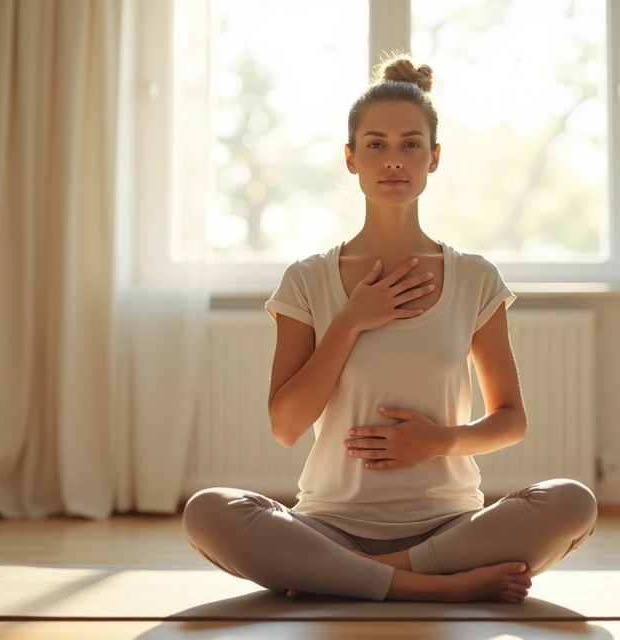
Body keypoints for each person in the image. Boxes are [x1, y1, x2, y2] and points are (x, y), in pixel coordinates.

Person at [182, 55, 597, 604]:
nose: (393, 160)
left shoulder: (474, 277)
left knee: (573, 502)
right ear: (350, 159)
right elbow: (286, 425)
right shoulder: (307, 279)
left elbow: (510, 420)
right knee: (208, 511)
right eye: (375, 144)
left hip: (447, 529)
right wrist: (351, 320)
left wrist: (441, 441)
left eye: (410, 144)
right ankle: (436, 589)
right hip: (328, 525)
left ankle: (361, 577)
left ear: (435, 158)